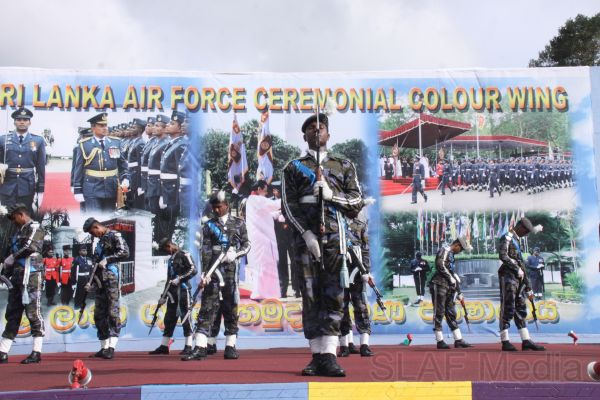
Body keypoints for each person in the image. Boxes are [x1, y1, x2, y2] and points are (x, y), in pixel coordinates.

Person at [282, 113, 363, 377]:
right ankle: (316, 355)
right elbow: (288, 206)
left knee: (334, 295)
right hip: (306, 241)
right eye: (311, 129)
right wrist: (306, 234)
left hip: (335, 239)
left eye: (321, 128)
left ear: (329, 134)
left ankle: (329, 354)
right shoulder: (293, 167)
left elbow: (356, 202)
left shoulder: (344, 165)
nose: (317, 131)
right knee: (310, 295)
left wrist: (331, 195)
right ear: (304, 135)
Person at [182, 191, 250, 361]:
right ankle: (200, 346)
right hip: (213, 272)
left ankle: (230, 346)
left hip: (230, 272)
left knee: (231, 308)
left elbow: (247, 244)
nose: (216, 210)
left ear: (226, 205)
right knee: (207, 307)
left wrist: (236, 254)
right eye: (214, 207)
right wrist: (204, 273)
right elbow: (205, 250)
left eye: (219, 206)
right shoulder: (209, 225)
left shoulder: (239, 223)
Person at [0, 204, 45, 364]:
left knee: (33, 313)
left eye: (14, 218)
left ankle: (36, 351)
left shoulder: (35, 227)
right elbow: (12, 255)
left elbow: (30, 246)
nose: (13, 222)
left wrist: (12, 257)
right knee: (12, 313)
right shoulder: (19, 232)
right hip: (17, 277)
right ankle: (3, 351)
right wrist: (4, 271)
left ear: (21, 214)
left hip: (31, 276)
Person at [83, 217, 130, 360]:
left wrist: (108, 259)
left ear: (97, 227)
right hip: (99, 282)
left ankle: (111, 347)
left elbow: (125, 252)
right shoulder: (100, 242)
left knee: (112, 312)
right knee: (99, 314)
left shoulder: (114, 235)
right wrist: (90, 282)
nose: (93, 235)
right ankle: (103, 347)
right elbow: (96, 265)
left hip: (111, 278)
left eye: (92, 232)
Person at [498, 217, 545, 351]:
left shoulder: (516, 240)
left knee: (521, 308)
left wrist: (528, 287)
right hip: (508, 277)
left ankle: (526, 340)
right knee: (508, 307)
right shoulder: (507, 237)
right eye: (526, 231)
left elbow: (521, 263)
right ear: (520, 227)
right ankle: (505, 341)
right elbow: (503, 255)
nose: (526, 234)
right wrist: (515, 268)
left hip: (518, 279)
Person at [72, 113, 130, 212]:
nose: (105, 128)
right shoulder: (84, 145)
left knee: (109, 218)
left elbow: (122, 164)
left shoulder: (115, 143)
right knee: (95, 218)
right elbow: (78, 169)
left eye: (106, 125)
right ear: (93, 127)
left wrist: (125, 178)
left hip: (111, 188)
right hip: (92, 189)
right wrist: (77, 189)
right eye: (101, 126)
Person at [149, 238, 197, 356]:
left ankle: (188, 346)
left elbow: (193, 270)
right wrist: (163, 296)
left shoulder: (184, 254)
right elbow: (169, 279)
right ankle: (164, 346)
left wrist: (180, 279)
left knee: (186, 318)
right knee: (169, 319)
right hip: (172, 293)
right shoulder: (172, 258)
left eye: (166, 249)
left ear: (170, 245)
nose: (166, 252)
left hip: (183, 291)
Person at [339, 208, 374, 358]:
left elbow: (365, 249)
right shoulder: (336, 223)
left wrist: (366, 271)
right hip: (339, 270)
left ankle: (364, 345)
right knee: (341, 308)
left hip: (357, 271)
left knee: (360, 306)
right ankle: (344, 345)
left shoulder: (361, 224)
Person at [430, 236, 473, 349]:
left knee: (451, 312)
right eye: (461, 249)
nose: (461, 251)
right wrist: (450, 277)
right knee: (439, 312)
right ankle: (440, 340)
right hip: (439, 284)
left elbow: (452, 273)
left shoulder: (451, 255)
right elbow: (440, 265)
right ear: (457, 245)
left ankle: (458, 339)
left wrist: (459, 292)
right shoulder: (444, 250)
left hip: (449, 287)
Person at [0, 108, 46, 212]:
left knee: (24, 216)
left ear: (30, 122)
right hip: (7, 186)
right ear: (14, 122)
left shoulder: (38, 140)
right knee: (6, 217)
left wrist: (41, 189)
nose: (22, 122)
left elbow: (41, 167)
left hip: (27, 186)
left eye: (25, 120)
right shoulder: (3, 139)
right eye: (19, 119)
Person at [246, 180, 281, 300]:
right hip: (261, 239)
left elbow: (269, 214)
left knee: (265, 266)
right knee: (262, 266)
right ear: (259, 189)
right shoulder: (256, 199)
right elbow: (274, 205)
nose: (266, 193)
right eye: (265, 190)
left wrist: (279, 213)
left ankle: (267, 293)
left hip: (261, 238)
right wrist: (289, 198)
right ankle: (261, 293)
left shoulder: (253, 200)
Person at [158, 111, 187, 239]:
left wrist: (173, 197)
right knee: (164, 224)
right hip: (166, 190)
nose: (168, 125)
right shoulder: (172, 143)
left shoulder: (181, 145)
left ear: (179, 128)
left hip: (173, 193)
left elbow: (180, 173)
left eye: (172, 123)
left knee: (170, 225)